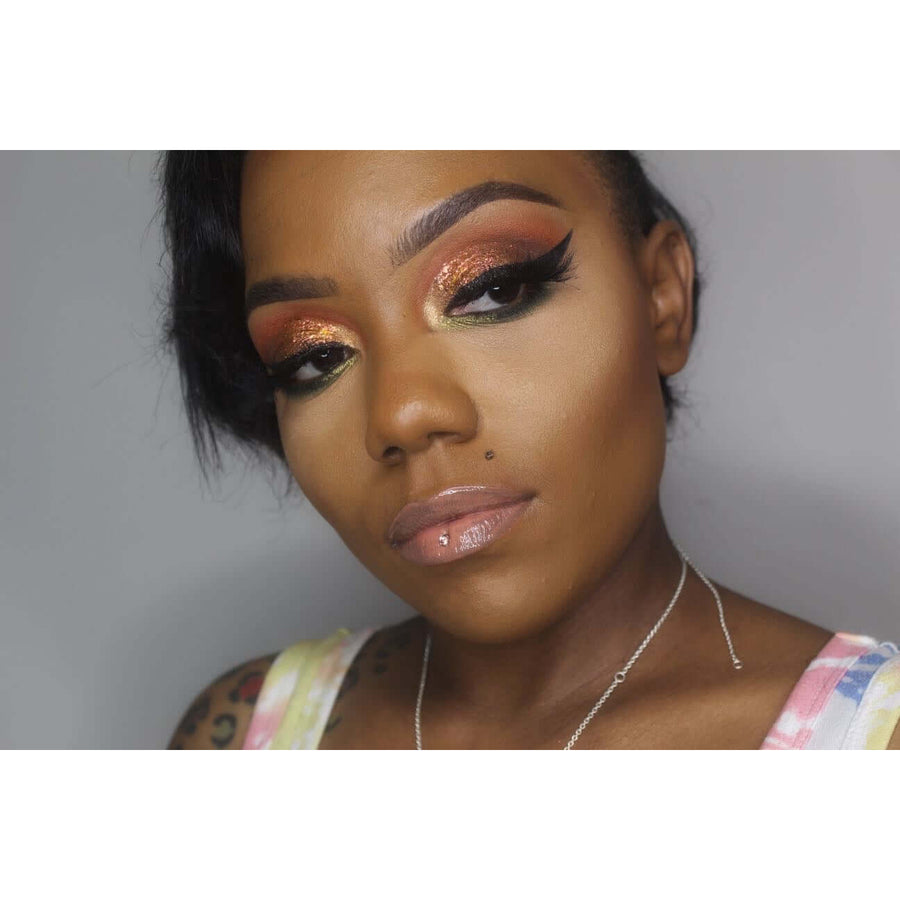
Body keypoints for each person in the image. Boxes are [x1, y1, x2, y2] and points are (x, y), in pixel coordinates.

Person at [161, 151, 900, 750]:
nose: (401, 415)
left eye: (492, 289)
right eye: (314, 357)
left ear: (661, 296)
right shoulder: (244, 739)